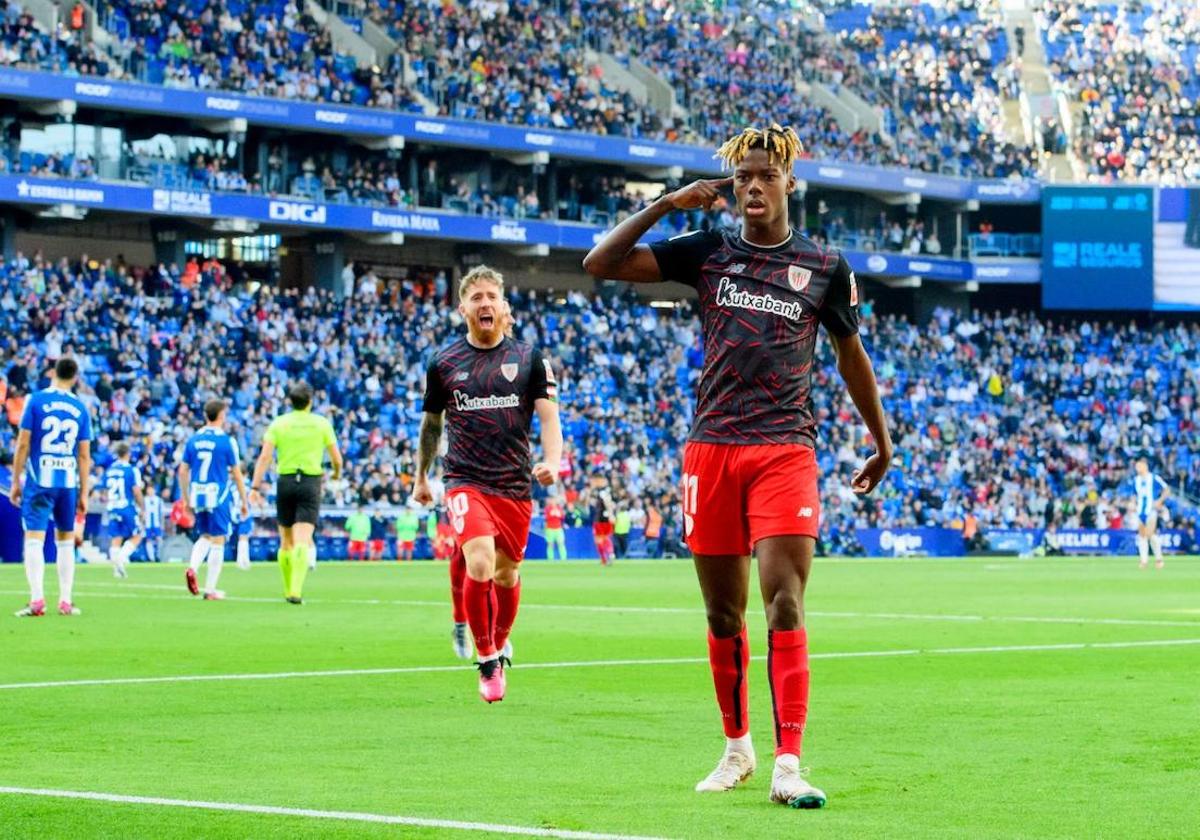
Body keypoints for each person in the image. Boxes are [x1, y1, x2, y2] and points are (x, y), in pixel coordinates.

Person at [583, 124, 892, 809]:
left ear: (789, 183)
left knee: (784, 597)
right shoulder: (707, 250)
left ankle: (789, 762)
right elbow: (599, 264)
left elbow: (850, 356)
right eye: (743, 177)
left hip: (786, 447)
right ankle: (737, 747)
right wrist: (667, 204)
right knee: (724, 614)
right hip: (712, 448)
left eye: (765, 176)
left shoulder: (823, 265)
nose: (753, 186)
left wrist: (882, 440)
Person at [414, 265, 562, 703]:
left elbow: (549, 418)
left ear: (503, 306)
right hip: (464, 479)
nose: (484, 303)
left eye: (490, 296)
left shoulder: (530, 358)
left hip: (514, 483)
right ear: (463, 308)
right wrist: (422, 476)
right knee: (478, 561)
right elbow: (430, 425)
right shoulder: (443, 363)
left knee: (506, 572)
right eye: (475, 297)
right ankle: (487, 659)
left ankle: (498, 638)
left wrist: (553, 460)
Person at [10, 357, 93, 617]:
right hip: (67, 482)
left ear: (53, 373)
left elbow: (23, 443)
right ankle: (66, 601)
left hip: (40, 479)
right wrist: (84, 492)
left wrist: (15, 481)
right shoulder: (80, 407)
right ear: (75, 378)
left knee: (34, 538)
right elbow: (84, 455)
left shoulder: (35, 400)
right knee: (66, 540)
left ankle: (37, 600)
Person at [251, 381, 343, 604]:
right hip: (310, 482)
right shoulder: (321, 424)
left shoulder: (279, 423)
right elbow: (337, 458)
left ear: (290, 402)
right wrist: (336, 474)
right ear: (310, 400)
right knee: (303, 538)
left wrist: (255, 486)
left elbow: (264, 457)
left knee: (286, 540)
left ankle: (286, 587)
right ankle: (295, 590)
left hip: (286, 481)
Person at [179, 399, 249, 601]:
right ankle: (210, 590)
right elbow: (237, 474)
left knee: (204, 535)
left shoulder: (193, 440)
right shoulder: (226, 441)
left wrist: (186, 498)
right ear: (221, 416)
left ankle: (192, 567)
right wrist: (244, 501)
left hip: (198, 493)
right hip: (218, 495)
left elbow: (183, 471)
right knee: (218, 539)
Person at [103, 441, 144, 579]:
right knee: (138, 534)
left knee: (116, 538)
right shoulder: (131, 470)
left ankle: (117, 571)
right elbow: (136, 491)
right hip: (126, 506)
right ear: (128, 453)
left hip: (112, 506)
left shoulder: (110, 470)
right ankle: (121, 558)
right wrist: (142, 507)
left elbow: (104, 490)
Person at [1132, 458, 1169, 569]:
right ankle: (1144, 561)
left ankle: (1158, 558)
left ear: (1145, 466)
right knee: (1143, 535)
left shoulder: (1154, 478)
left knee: (1149, 533)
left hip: (1151, 510)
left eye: (1139, 466)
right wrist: (1133, 504)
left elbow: (1167, 489)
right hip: (1140, 511)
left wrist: (1159, 501)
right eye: (1136, 466)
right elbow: (1134, 494)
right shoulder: (1136, 480)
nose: (1137, 468)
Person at [230, 483, 254, 570]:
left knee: (239, 537)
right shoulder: (249, 485)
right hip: (245, 512)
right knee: (243, 537)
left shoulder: (232, 486)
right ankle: (244, 561)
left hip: (233, 512)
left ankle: (240, 560)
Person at [143, 483, 166, 563]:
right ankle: (151, 558)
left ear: (154, 490)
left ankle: (158, 556)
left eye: (152, 489)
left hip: (157, 524)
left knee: (159, 539)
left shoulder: (159, 500)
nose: (150, 491)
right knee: (148, 540)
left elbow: (162, 513)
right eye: (149, 489)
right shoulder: (144, 500)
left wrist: (162, 524)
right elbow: (142, 513)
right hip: (147, 524)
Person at [544, 495, 568, 560]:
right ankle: (550, 559)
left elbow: (562, 517)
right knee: (550, 544)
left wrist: (557, 514)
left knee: (561, 543)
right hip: (550, 529)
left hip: (558, 528)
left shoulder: (559, 508)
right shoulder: (547, 509)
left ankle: (564, 558)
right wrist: (553, 514)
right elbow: (546, 518)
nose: (554, 501)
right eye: (552, 500)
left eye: (555, 500)